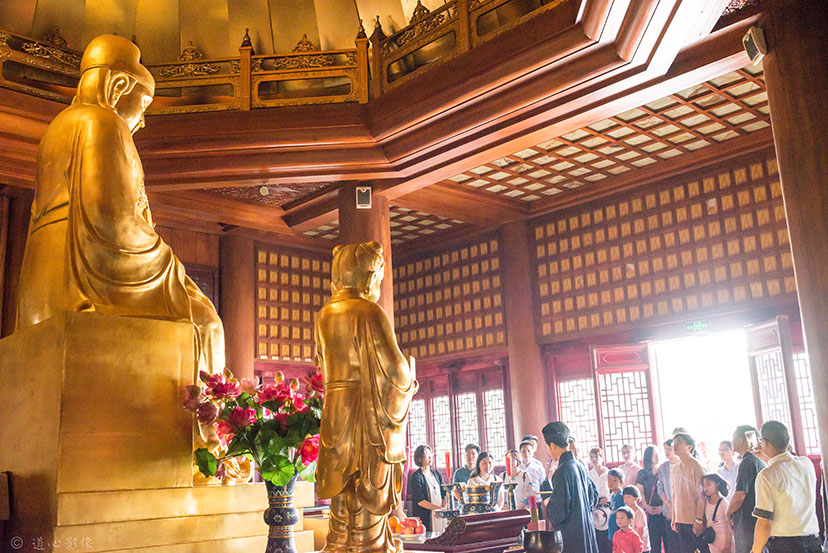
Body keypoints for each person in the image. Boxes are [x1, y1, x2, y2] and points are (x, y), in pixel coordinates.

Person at [315, 241, 418, 553]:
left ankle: (338, 541)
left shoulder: (325, 315)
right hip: (366, 410)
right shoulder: (369, 311)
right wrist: (409, 382)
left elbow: (322, 363)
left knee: (342, 481)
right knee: (368, 479)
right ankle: (365, 543)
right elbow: (396, 369)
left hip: (335, 409)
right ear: (370, 277)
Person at [751, 420, 820, 553]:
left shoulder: (766, 476)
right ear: (788, 441)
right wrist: (768, 457)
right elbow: (786, 464)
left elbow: (764, 522)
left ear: (765, 443)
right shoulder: (807, 464)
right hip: (813, 541)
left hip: (786, 545)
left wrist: (755, 550)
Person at [543, 421, 600, 553]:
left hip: (572, 536)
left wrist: (547, 502)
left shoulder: (562, 471)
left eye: (547, 447)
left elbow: (558, 512)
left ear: (552, 445)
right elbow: (593, 497)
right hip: (586, 529)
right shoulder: (580, 466)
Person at [726, 425, 766, 553]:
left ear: (741, 440)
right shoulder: (757, 460)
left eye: (734, 437)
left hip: (747, 521)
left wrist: (727, 514)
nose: (732, 440)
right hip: (755, 519)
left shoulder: (747, 462)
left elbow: (740, 496)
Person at [670, 432, 708, 553]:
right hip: (680, 519)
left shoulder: (697, 466)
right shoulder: (675, 468)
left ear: (689, 447)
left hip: (695, 519)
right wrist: (674, 517)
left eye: (679, 442)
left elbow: (703, 496)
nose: (675, 445)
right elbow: (674, 494)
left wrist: (699, 520)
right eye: (674, 443)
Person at [407, 445, 447, 533]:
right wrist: (438, 509)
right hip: (426, 516)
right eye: (427, 455)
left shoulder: (437, 474)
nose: (430, 457)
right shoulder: (416, 476)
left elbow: (445, 493)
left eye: (430, 454)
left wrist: (442, 509)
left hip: (439, 514)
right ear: (419, 459)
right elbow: (420, 501)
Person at [636, 446, 665, 553]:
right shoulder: (642, 473)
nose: (657, 456)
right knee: (654, 542)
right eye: (654, 453)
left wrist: (663, 507)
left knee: (669, 541)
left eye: (658, 453)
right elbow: (640, 492)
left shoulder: (663, 471)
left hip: (664, 510)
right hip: (650, 511)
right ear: (648, 456)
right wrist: (646, 506)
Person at [657, 439, 681, 553]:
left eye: (669, 449)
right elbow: (660, 487)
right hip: (668, 509)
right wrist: (667, 503)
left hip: (682, 509)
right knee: (672, 543)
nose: (667, 452)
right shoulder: (663, 467)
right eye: (665, 449)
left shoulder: (682, 464)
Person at [701, 474, 732, 553]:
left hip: (724, 539)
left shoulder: (724, 503)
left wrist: (727, 545)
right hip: (712, 540)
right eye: (703, 485)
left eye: (708, 484)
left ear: (717, 485)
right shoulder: (705, 502)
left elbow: (729, 526)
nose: (705, 488)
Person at [589, 448, 612, 553]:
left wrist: (607, 498)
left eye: (596, 457)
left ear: (602, 458)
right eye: (591, 457)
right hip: (594, 507)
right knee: (597, 538)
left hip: (607, 506)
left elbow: (614, 490)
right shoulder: (589, 474)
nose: (594, 460)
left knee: (607, 538)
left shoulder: (609, 473)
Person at [623, 486, 650, 553]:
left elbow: (640, 531)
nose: (626, 500)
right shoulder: (626, 511)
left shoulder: (639, 512)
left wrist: (635, 544)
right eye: (624, 497)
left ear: (636, 498)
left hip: (640, 547)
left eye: (629, 497)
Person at [607, 468, 627, 544]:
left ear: (621, 483)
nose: (610, 483)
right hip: (612, 531)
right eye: (609, 479)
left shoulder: (622, 497)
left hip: (619, 532)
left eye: (614, 481)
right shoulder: (613, 496)